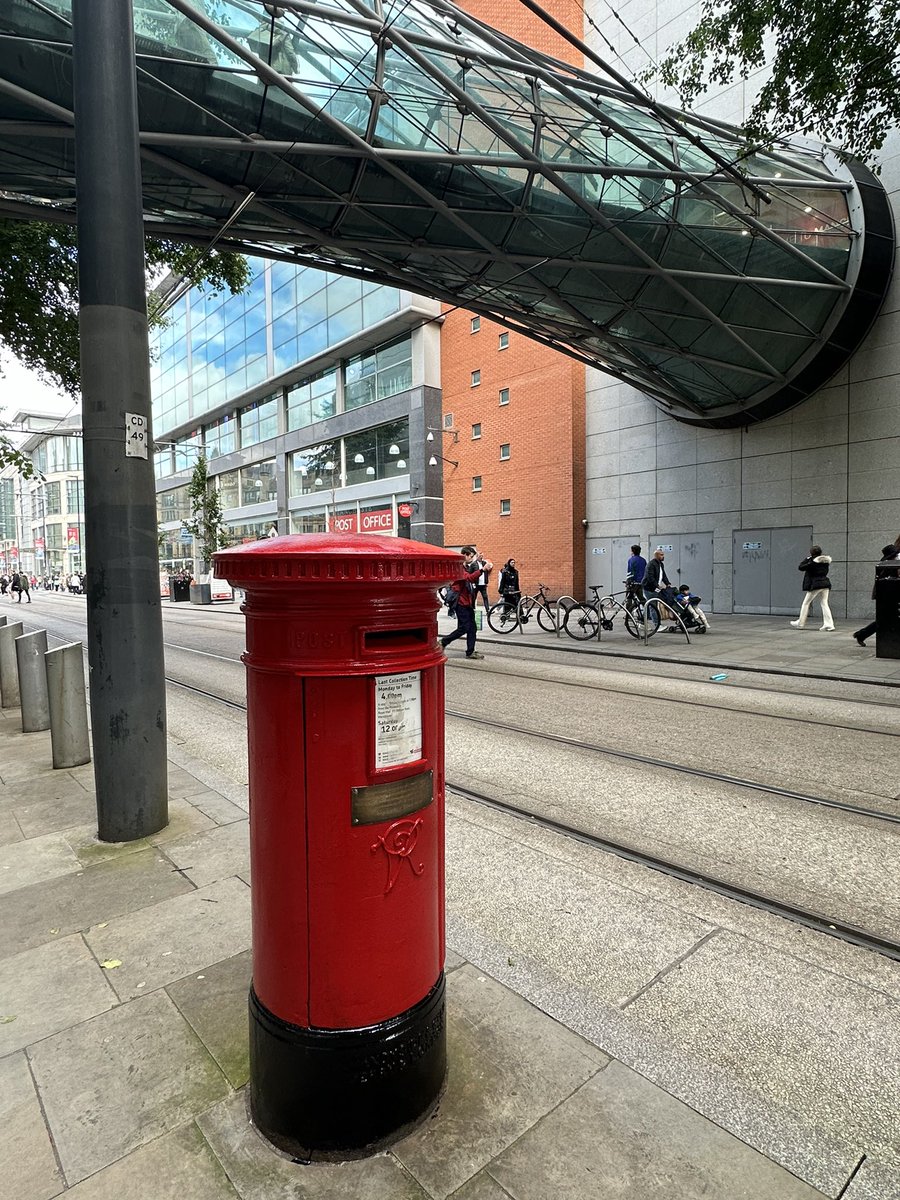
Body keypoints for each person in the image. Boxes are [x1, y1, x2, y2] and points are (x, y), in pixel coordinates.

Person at [440, 546, 485, 659]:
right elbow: (469, 578)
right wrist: (483, 569)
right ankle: (443, 642)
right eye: (471, 556)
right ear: (465, 555)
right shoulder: (459, 568)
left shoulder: (465, 567)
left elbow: (471, 574)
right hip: (460, 603)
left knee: (472, 628)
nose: (472, 558)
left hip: (467, 603)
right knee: (464, 627)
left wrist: (478, 562)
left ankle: (470, 651)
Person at [852, 544, 900, 646]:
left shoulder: (888, 565)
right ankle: (861, 634)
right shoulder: (887, 566)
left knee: (886, 619)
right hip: (886, 596)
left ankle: (861, 634)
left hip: (888, 595)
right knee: (885, 619)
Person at [790, 546, 834, 631]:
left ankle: (800, 623)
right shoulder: (825, 562)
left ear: (811, 553)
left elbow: (801, 567)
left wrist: (807, 559)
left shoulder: (812, 562)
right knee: (824, 603)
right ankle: (829, 624)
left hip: (816, 585)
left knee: (806, 603)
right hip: (825, 583)